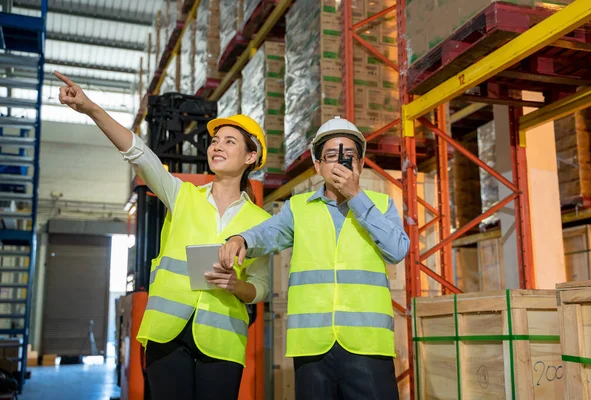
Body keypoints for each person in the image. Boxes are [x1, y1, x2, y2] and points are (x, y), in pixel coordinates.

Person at [54, 71, 272, 400]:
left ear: (251, 157)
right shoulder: (181, 196)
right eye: (214, 140)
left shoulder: (261, 221)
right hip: (167, 336)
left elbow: (263, 286)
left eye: (229, 141)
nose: (216, 146)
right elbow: (139, 153)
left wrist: (236, 286)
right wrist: (91, 109)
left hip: (223, 341)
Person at [220, 116, 410, 400]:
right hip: (312, 348)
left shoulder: (380, 205)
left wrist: (356, 196)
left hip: (368, 346)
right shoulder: (298, 208)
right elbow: (267, 233)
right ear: (318, 165)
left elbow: (397, 249)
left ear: (359, 163)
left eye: (349, 156)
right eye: (331, 156)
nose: (341, 163)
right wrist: (241, 238)